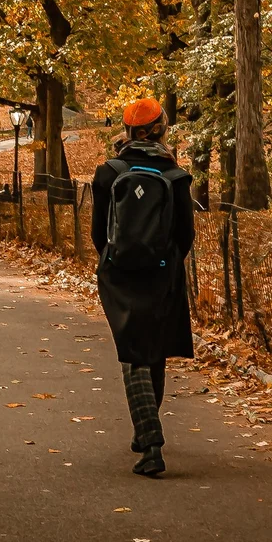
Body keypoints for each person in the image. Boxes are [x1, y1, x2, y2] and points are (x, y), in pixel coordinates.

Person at [90, 97, 193, 478]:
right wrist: (163, 262)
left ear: (127, 131)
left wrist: (116, 262)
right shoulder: (174, 176)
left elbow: (98, 233)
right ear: (161, 131)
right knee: (155, 348)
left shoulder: (108, 172)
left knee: (133, 352)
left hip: (119, 274)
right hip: (163, 272)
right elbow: (186, 235)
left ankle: (150, 442)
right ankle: (146, 430)